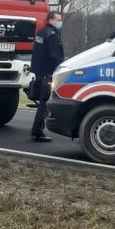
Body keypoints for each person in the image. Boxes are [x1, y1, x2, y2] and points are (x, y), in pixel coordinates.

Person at [29, 11, 65, 142]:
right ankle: (37, 131)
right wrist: (63, 67)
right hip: (48, 73)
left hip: (39, 72)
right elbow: (54, 54)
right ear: (51, 20)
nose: (60, 22)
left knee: (42, 103)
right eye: (58, 19)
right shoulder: (52, 34)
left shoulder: (41, 33)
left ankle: (36, 131)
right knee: (45, 104)